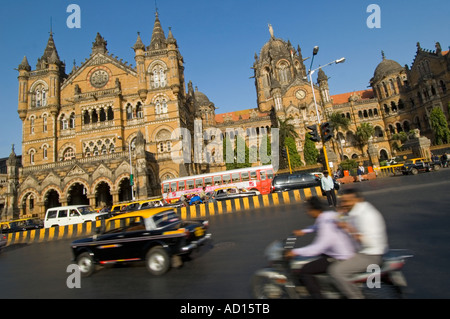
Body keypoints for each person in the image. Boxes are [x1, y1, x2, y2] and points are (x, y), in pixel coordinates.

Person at [285, 196, 355, 299]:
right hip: (347, 251)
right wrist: (303, 231)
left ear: (313, 209)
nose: (307, 212)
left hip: (339, 257)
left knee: (305, 270)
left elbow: (317, 248)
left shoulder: (324, 225)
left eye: (307, 209)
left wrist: (295, 252)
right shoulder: (327, 215)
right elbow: (316, 226)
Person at [328, 188, 388, 299]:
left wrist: (350, 229)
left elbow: (370, 242)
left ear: (357, 200)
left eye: (347, 201)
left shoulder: (367, 215)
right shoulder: (355, 211)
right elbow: (341, 221)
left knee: (335, 271)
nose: (344, 204)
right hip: (360, 252)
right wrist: (341, 213)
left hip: (370, 256)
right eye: (343, 201)